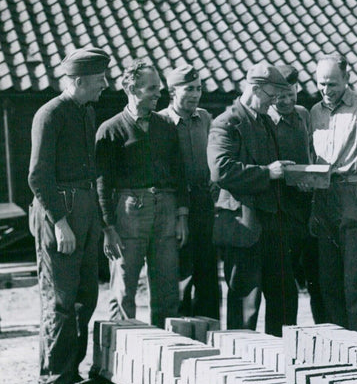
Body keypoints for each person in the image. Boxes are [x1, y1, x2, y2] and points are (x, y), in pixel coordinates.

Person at [28, 46, 112, 384]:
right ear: (78, 81)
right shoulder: (50, 115)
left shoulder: (85, 111)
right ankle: (56, 381)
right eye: (98, 80)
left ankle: (71, 370)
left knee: (85, 296)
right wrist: (60, 222)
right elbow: (38, 176)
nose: (104, 86)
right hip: (59, 211)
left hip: (85, 208)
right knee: (60, 299)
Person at [95, 59, 188, 329]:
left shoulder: (166, 126)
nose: (158, 94)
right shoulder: (110, 130)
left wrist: (182, 216)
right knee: (124, 287)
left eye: (158, 88)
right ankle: (121, 354)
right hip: (129, 213)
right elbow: (102, 183)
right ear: (131, 89)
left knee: (168, 287)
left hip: (166, 211)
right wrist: (108, 227)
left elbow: (179, 173)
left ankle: (165, 351)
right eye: (151, 89)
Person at [207, 62, 297, 336]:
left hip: (273, 223)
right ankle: (241, 367)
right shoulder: (227, 122)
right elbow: (220, 170)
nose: (275, 102)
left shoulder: (265, 121)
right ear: (255, 88)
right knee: (245, 303)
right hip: (242, 225)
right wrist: (268, 172)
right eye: (271, 96)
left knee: (284, 299)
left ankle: (281, 363)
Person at [309, 53, 357, 337]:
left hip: (354, 195)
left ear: (346, 79)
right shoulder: (314, 112)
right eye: (321, 84)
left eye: (332, 84)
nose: (326, 91)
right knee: (329, 282)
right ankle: (337, 352)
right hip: (323, 197)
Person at [160, 64, 221, 320]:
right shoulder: (161, 122)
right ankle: (182, 336)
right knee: (181, 274)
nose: (196, 94)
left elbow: (214, 154)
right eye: (189, 89)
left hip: (205, 203)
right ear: (173, 91)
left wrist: (216, 180)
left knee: (208, 273)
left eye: (198, 89)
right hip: (176, 205)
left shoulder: (204, 118)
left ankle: (210, 334)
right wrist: (177, 214)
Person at [269, 64, 325, 323]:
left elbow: (312, 152)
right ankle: (281, 342)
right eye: (280, 96)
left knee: (319, 281)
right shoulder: (265, 119)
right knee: (283, 286)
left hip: (308, 207)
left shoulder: (304, 115)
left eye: (291, 94)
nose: (286, 101)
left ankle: (326, 337)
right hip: (280, 209)